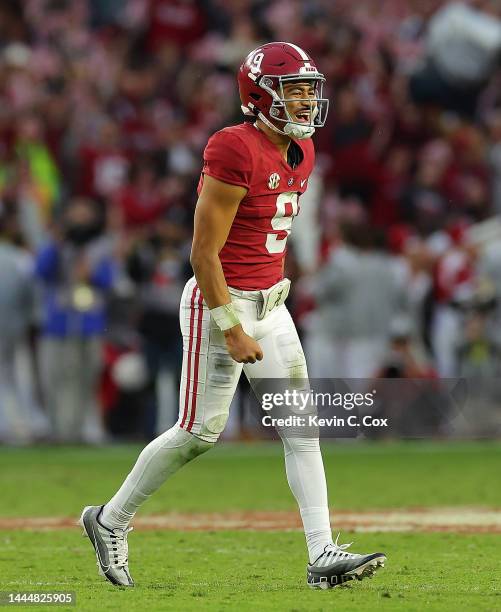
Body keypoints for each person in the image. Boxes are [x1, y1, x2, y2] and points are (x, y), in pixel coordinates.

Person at [79, 42, 386, 590]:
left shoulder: (303, 150)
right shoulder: (233, 147)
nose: (305, 101)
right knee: (198, 433)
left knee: (302, 431)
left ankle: (322, 555)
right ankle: (109, 520)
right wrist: (231, 326)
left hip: (271, 302)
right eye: (293, 90)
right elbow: (203, 253)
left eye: (308, 89)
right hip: (221, 302)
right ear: (259, 95)